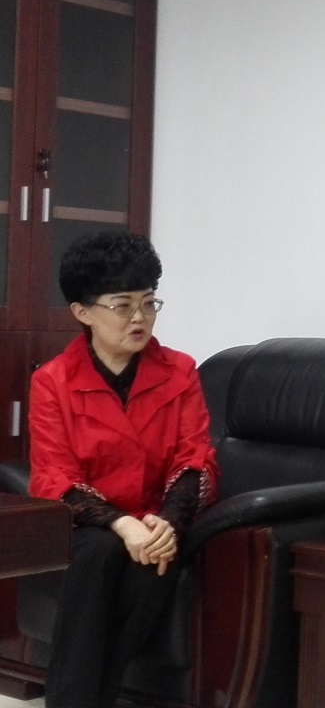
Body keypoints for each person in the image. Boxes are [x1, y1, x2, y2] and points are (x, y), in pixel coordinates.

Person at [27, 231, 219, 708]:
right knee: (99, 553)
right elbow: (53, 475)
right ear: (82, 312)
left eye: (149, 303)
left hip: (155, 521)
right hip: (87, 525)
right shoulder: (52, 381)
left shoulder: (179, 371)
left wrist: (166, 523)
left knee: (150, 560)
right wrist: (120, 523)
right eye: (122, 306)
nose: (139, 318)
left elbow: (194, 456)